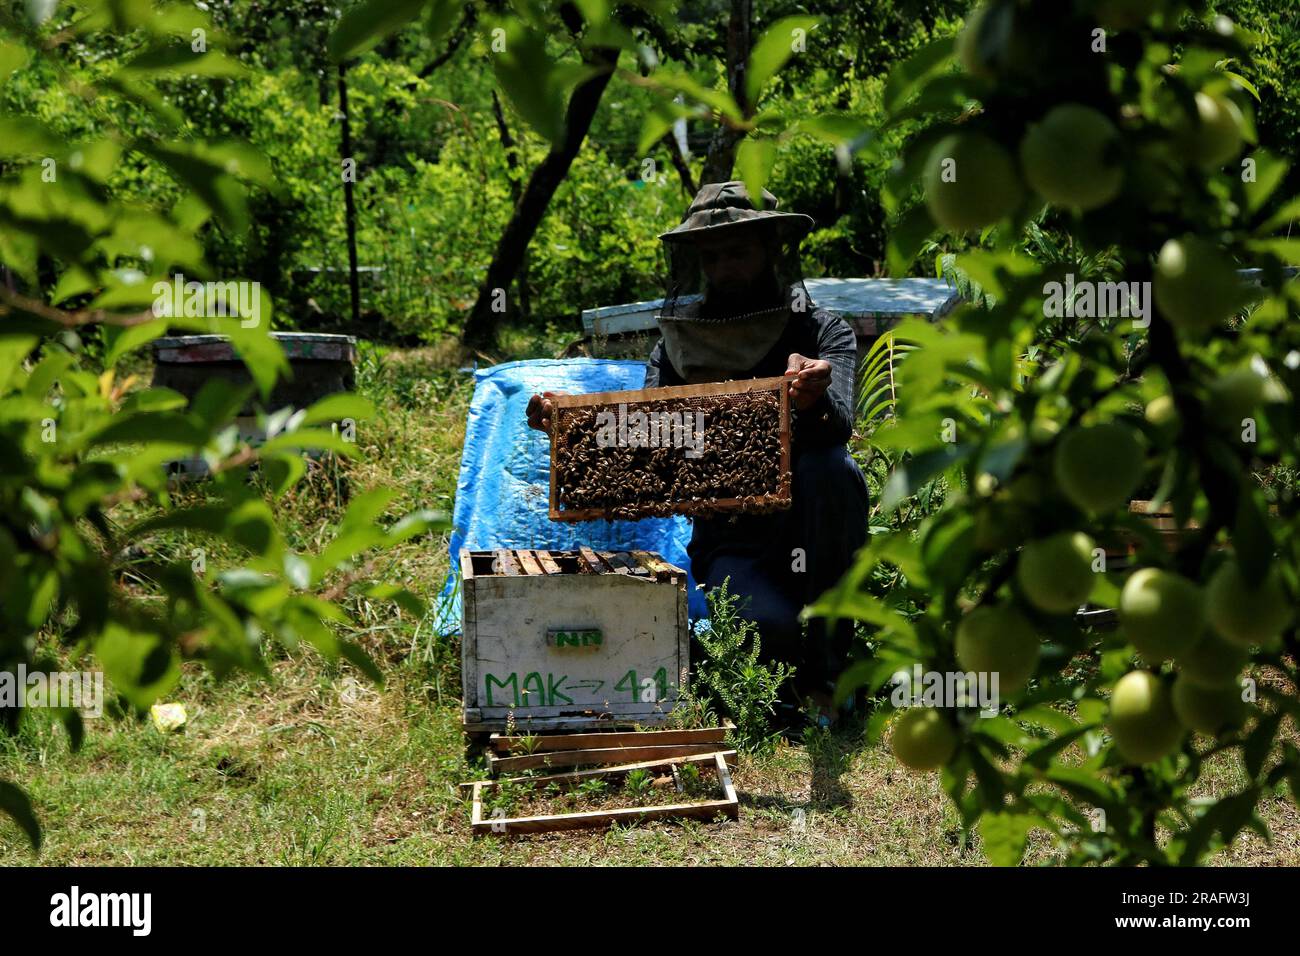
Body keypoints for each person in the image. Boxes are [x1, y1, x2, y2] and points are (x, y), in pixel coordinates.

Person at [527, 181, 869, 725]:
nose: (727, 267)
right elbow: (647, 446)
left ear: (770, 250)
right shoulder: (675, 349)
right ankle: (786, 669)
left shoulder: (822, 331)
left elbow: (840, 428)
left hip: (814, 533)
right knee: (768, 631)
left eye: (738, 251)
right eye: (713, 257)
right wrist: (575, 435)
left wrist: (812, 400)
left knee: (829, 467)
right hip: (733, 540)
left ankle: (830, 670)